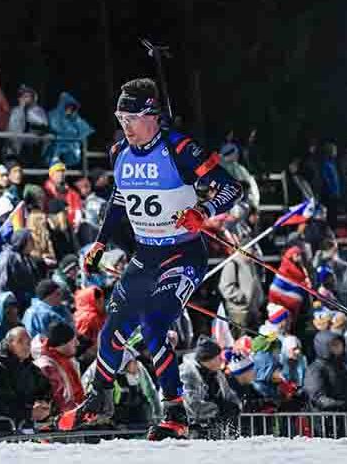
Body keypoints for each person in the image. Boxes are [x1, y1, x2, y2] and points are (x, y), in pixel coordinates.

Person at [62, 78, 243, 439]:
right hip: (146, 253)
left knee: (154, 324)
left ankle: (175, 412)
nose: (124, 125)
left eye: (130, 117)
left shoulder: (179, 148)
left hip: (183, 252)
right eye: (120, 117)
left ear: (152, 116)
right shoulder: (119, 154)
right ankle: (98, 398)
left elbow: (231, 188)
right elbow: (119, 200)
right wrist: (100, 243)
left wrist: (203, 210)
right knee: (113, 328)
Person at [0, 327, 53, 428]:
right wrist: (28, 412)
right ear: (9, 343)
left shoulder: (31, 369)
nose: (26, 346)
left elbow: (45, 390)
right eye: (20, 342)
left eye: (28, 342)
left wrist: (44, 404)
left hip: (22, 432)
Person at [180, 337, 242, 435]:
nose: (222, 360)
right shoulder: (186, 374)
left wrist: (235, 406)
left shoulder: (216, 373)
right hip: (183, 430)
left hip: (208, 429)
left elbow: (229, 395)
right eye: (219, 357)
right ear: (209, 359)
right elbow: (191, 405)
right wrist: (218, 409)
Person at [303, 330, 347, 413]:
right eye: (334, 345)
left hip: (344, 420)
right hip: (325, 420)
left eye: (340, 344)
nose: (338, 348)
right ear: (324, 347)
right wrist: (343, 405)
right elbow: (318, 398)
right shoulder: (316, 369)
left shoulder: (341, 367)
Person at [33, 321, 84, 414]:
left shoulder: (69, 361)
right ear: (62, 344)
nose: (77, 343)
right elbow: (60, 401)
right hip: (56, 419)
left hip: (73, 414)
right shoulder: (47, 366)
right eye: (73, 341)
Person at [218, 248, 264, 337]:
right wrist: (241, 297)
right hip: (238, 312)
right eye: (250, 250)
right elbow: (225, 286)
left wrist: (259, 299)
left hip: (252, 310)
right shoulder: (232, 264)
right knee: (240, 339)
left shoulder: (252, 265)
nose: (252, 253)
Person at [44, 92, 94, 168]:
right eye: (68, 107)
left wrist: (75, 120)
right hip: (55, 148)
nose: (69, 110)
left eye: (72, 108)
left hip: (71, 150)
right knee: (55, 160)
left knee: (73, 157)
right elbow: (55, 128)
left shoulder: (75, 118)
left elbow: (85, 131)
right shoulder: (54, 115)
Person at [0, 229, 39, 311]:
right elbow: (2, 285)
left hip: (26, 302)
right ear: (22, 241)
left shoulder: (26, 257)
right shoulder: (8, 257)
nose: (33, 242)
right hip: (15, 305)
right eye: (30, 240)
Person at [7, 85, 49, 164]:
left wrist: (29, 114)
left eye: (27, 96)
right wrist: (21, 109)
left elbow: (43, 124)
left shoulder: (38, 110)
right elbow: (12, 129)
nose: (25, 99)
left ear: (33, 98)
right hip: (17, 147)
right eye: (23, 96)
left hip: (34, 147)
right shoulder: (16, 111)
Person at [219, 143, 260, 209]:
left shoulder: (240, 169)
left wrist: (254, 205)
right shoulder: (217, 168)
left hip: (238, 206)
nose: (237, 155)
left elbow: (251, 186)